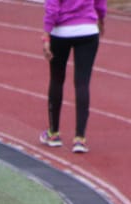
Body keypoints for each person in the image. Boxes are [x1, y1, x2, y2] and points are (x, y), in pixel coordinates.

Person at [39, 0, 107, 154]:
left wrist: (46, 34)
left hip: (61, 32)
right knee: (82, 83)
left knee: (56, 80)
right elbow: (100, 2)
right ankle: (80, 138)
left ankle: (53, 133)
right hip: (88, 30)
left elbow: (52, 6)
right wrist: (101, 18)